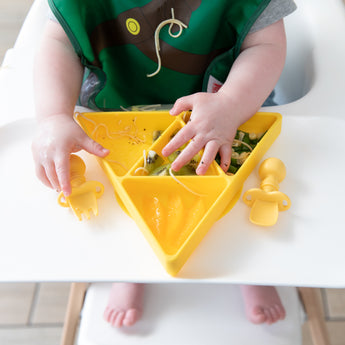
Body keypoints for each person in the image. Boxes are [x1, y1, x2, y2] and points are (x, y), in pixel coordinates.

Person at [32, 0, 296, 329]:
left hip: (225, 104)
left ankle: (249, 268)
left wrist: (230, 104)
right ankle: (131, 270)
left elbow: (266, 44)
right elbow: (59, 42)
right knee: (122, 195)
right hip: (119, 109)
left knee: (240, 192)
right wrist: (53, 116)